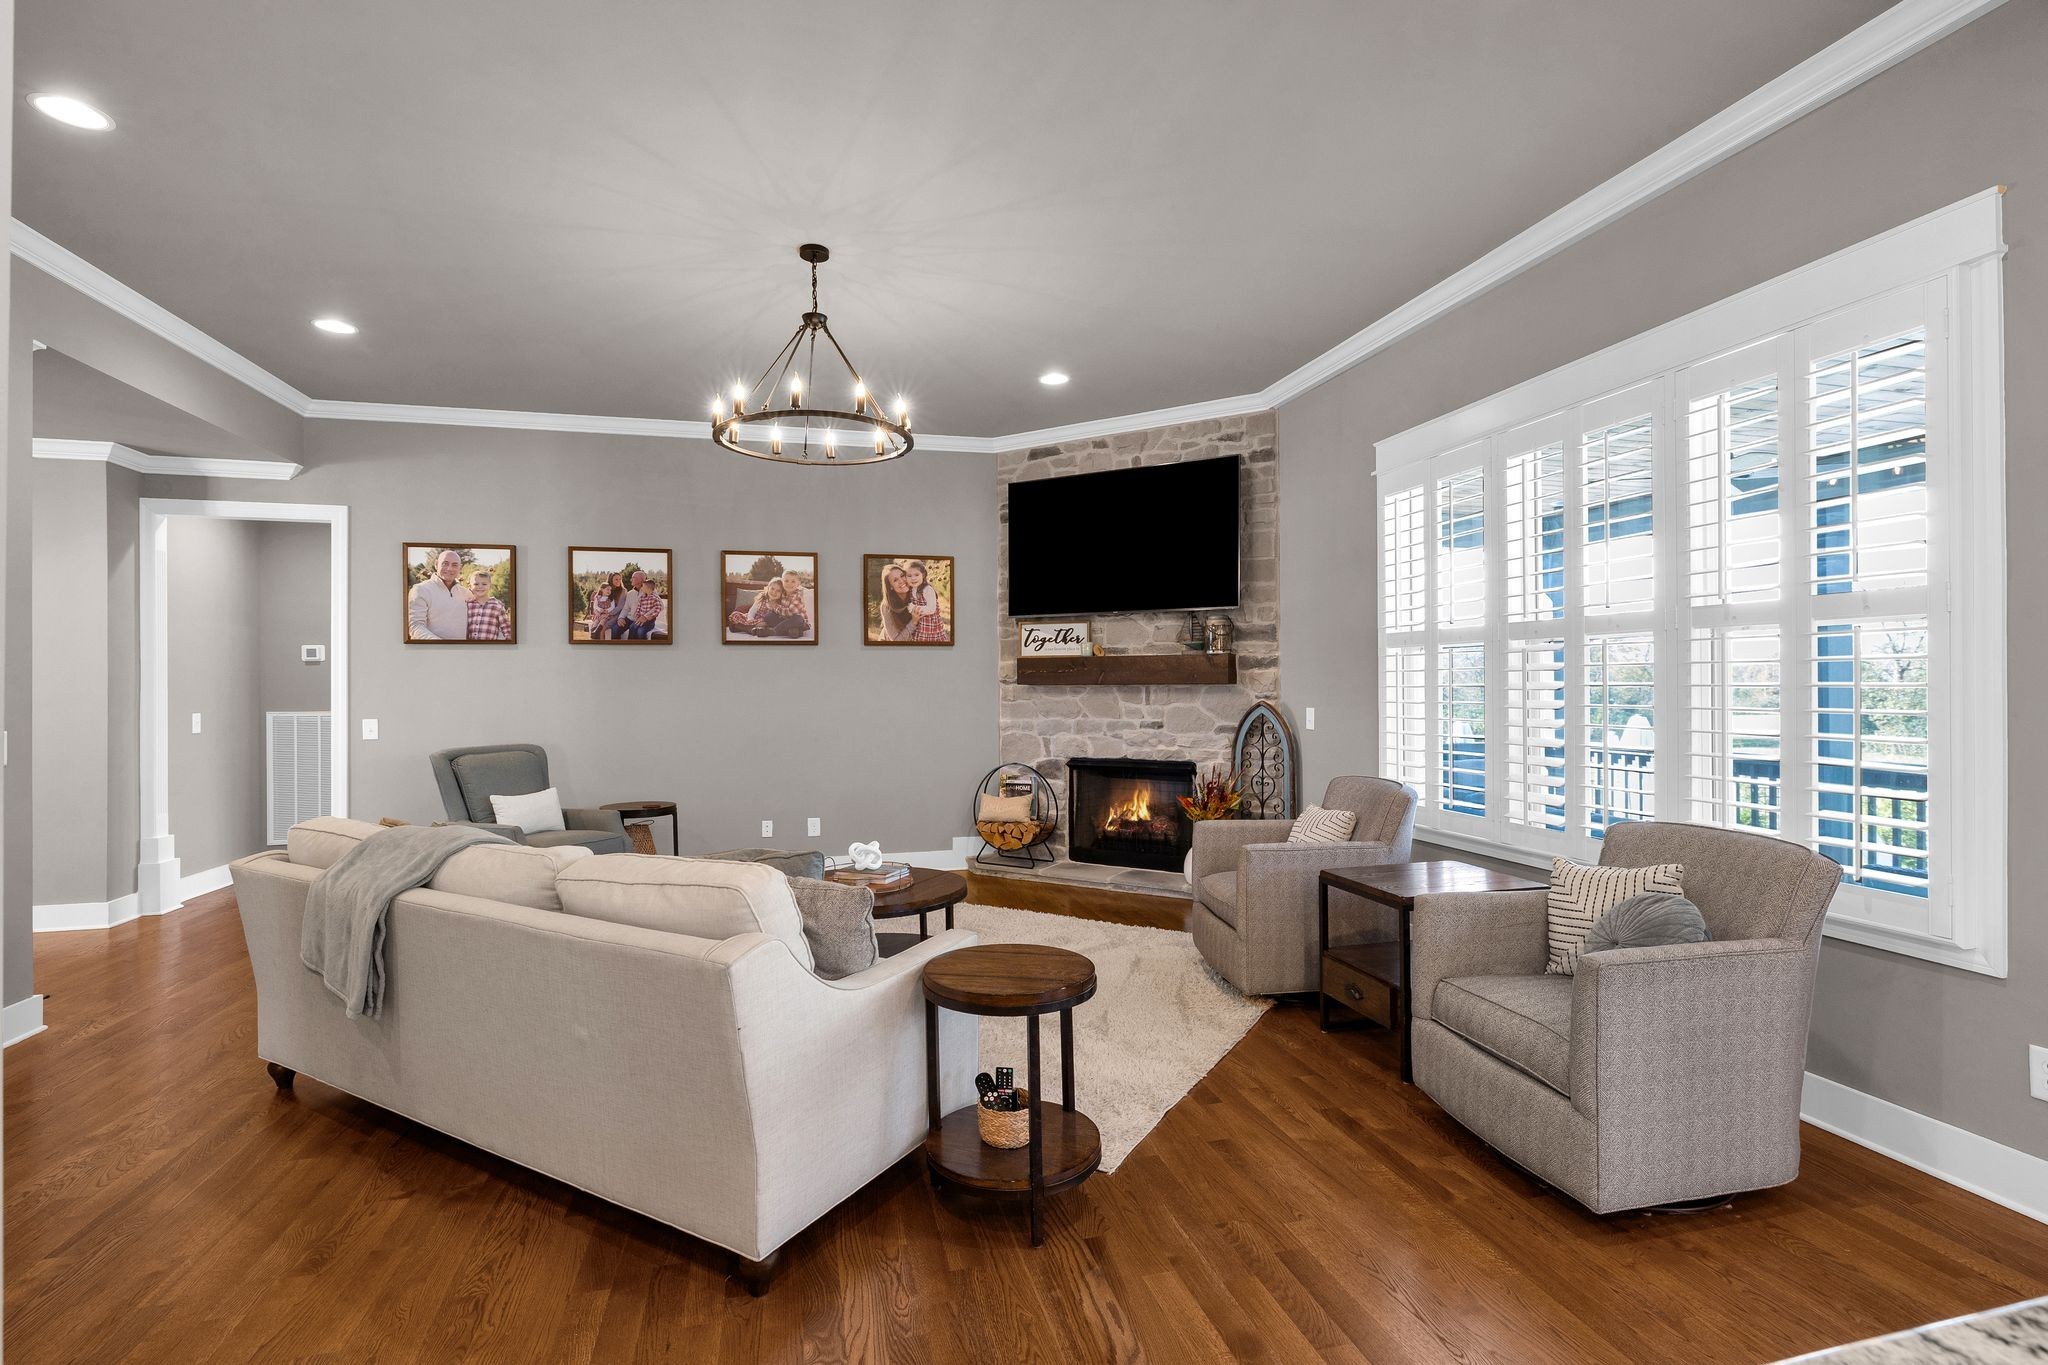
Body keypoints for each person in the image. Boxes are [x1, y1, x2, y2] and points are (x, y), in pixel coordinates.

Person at [408, 548, 470, 641]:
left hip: (461, 652)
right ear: (436, 564)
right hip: (431, 652)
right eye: (445, 563)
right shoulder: (420, 590)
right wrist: (441, 646)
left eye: (454, 565)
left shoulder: (466, 593)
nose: (449, 568)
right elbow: (415, 626)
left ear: (460, 568)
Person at [903, 559, 949, 642]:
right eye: (909, 576)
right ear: (905, 577)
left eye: (916, 575)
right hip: (920, 627)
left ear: (923, 575)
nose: (913, 578)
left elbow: (931, 609)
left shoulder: (927, 589)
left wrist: (912, 607)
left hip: (931, 629)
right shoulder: (911, 589)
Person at [465, 568, 513, 641]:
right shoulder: (468, 605)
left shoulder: (497, 606)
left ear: (490, 586)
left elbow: (507, 629)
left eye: (484, 584)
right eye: (476, 584)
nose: (480, 586)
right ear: (470, 587)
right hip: (470, 647)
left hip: (490, 648)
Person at [622, 569, 665, 640]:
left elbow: (660, 606)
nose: (630, 579)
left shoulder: (650, 591)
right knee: (617, 629)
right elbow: (627, 608)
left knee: (640, 631)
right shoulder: (630, 593)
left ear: (640, 580)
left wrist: (645, 616)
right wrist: (621, 618)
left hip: (647, 620)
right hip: (633, 618)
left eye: (633, 578)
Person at [879, 563, 914, 640]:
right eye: (895, 580)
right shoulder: (886, 606)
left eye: (902, 576)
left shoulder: (917, 595)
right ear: (890, 586)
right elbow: (896, 640)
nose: (901, 581)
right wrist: (914, 622)